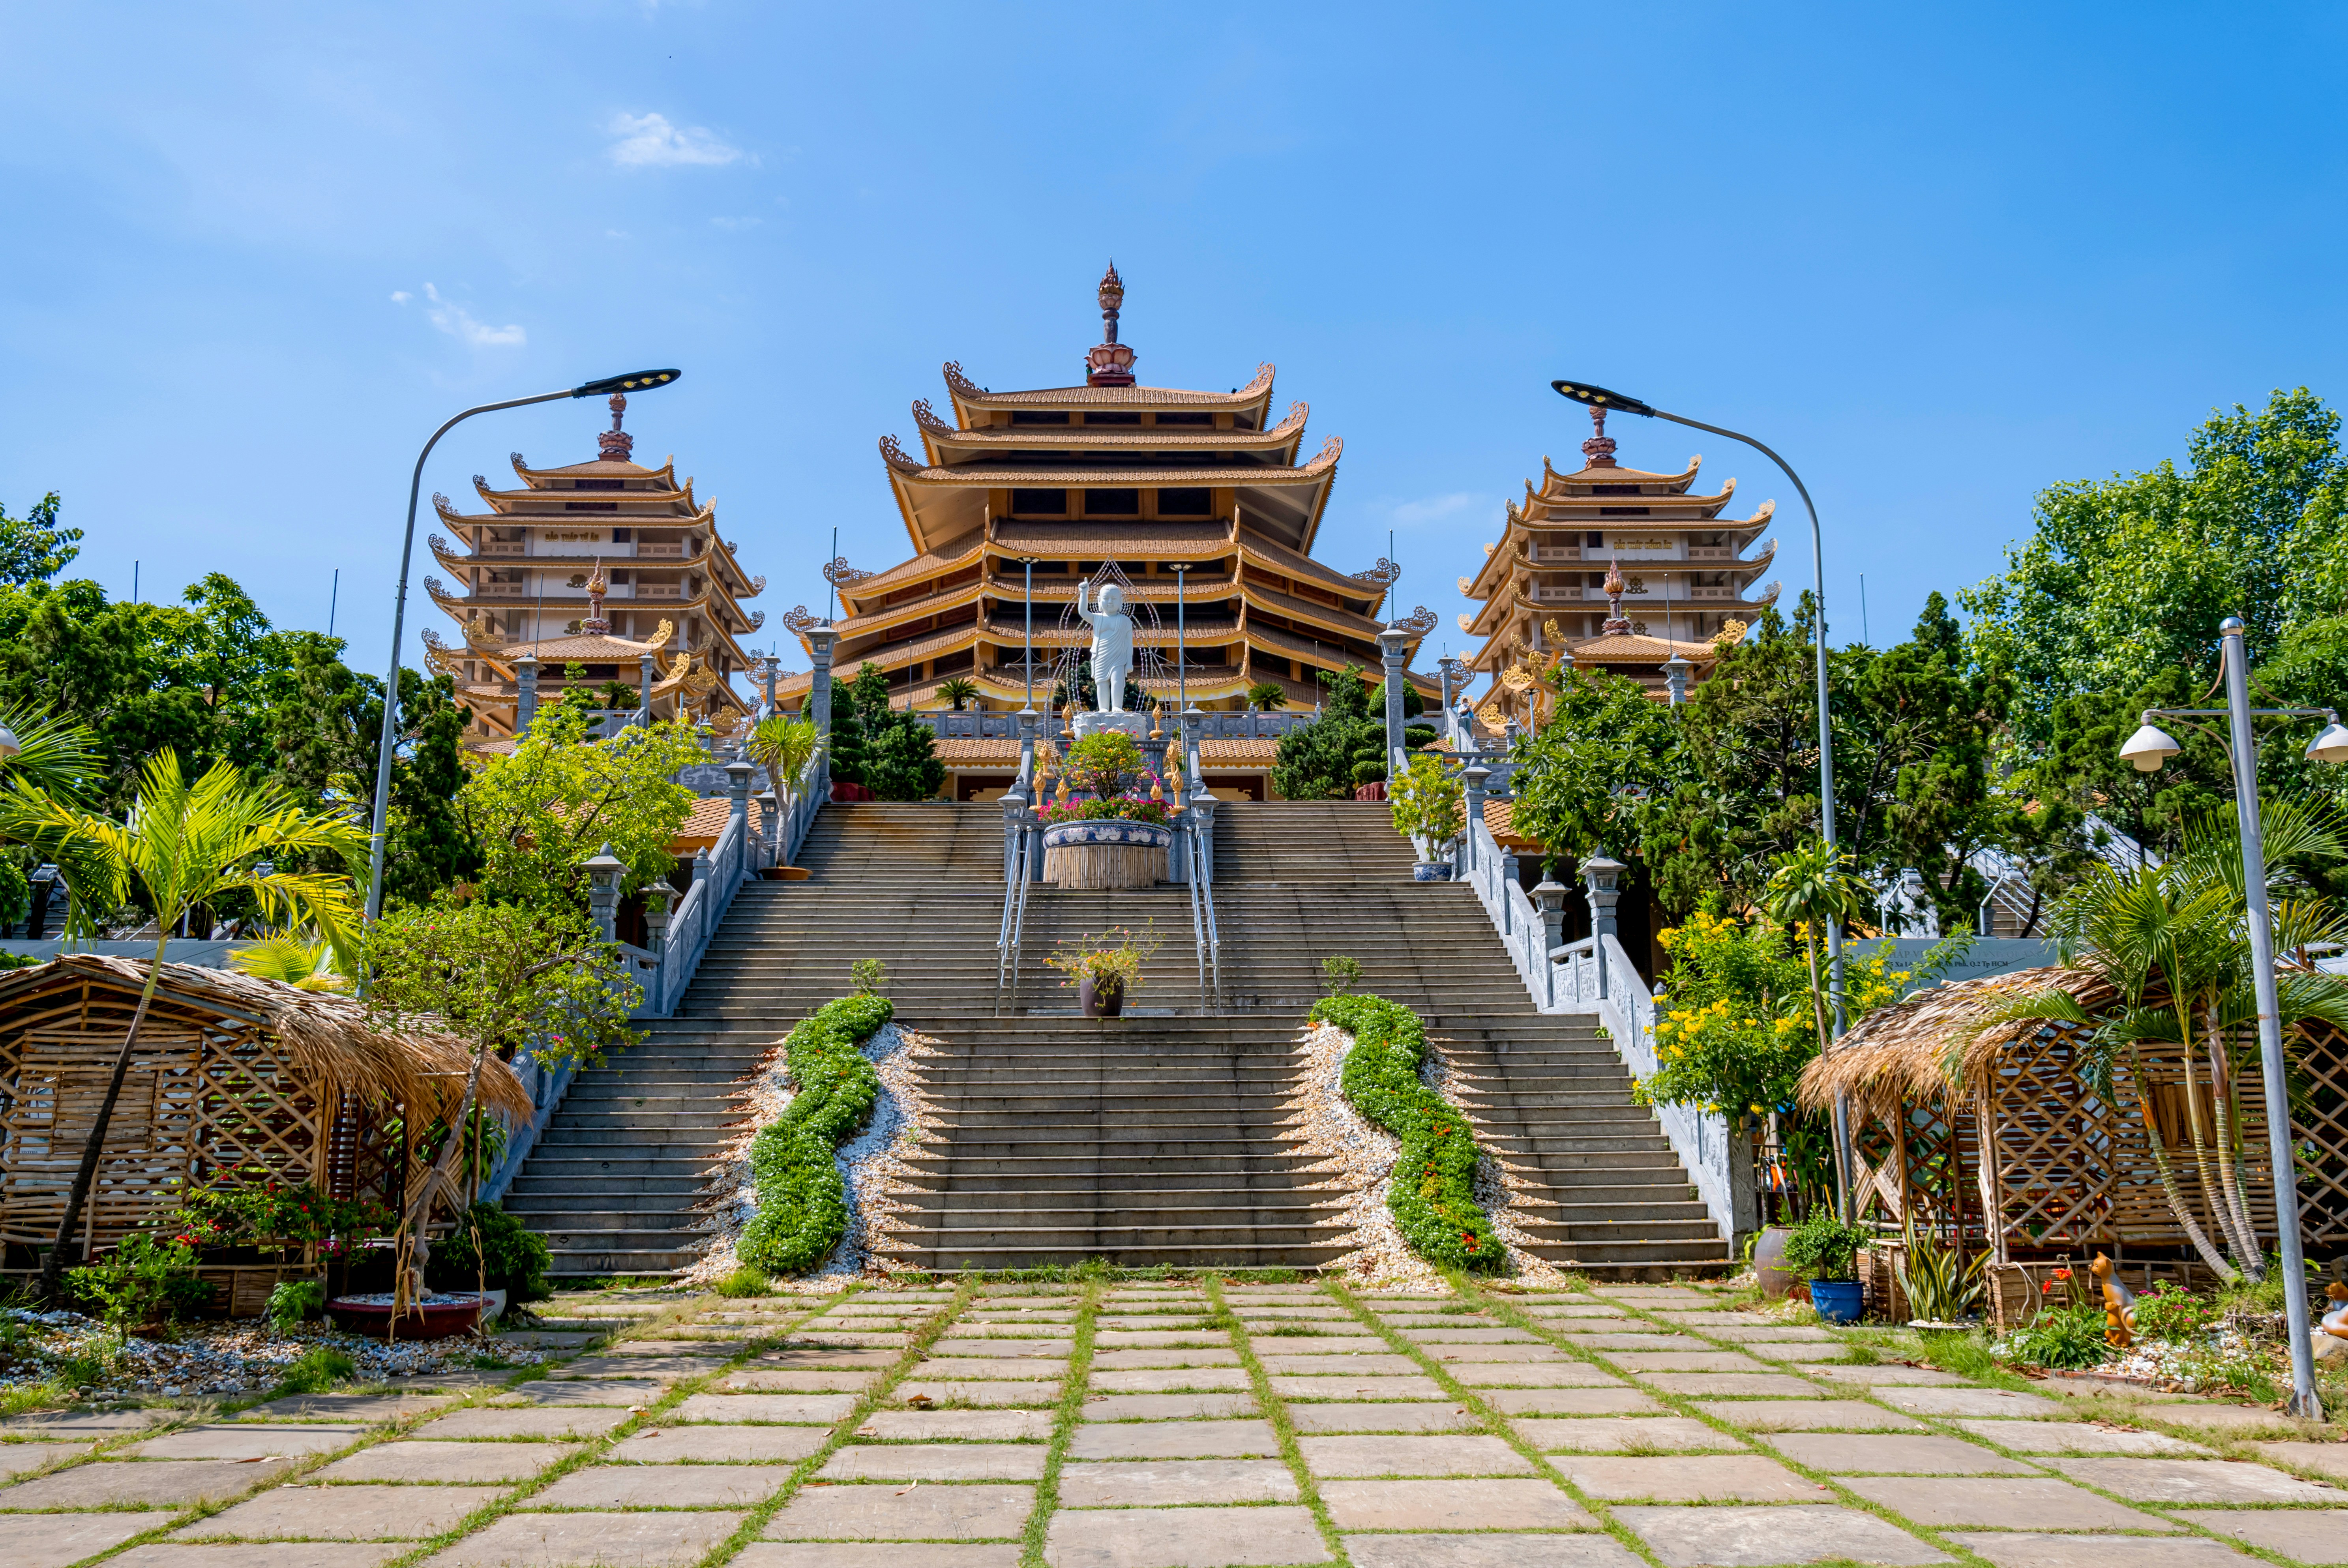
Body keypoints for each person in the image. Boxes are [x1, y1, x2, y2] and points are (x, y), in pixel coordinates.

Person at [1075, 580, 1134, 714]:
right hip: (1101, 656)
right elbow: (1083, 612)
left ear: (1121, 601)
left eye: (1114, 599)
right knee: (1101, 683)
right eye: (1106, 599)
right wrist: (1084, 593)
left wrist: (1129, 662)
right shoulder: (1097, 618)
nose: (1110, 602)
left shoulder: (1125, 621)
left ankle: (1117, 707)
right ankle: (1103, 708)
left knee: (1117, 681)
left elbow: (1129, 644)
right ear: (1099, 601)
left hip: (1119, 658)